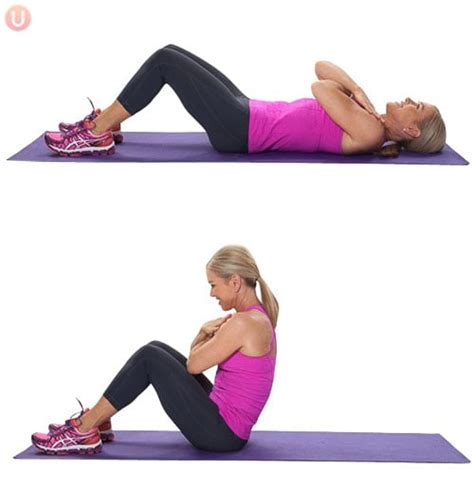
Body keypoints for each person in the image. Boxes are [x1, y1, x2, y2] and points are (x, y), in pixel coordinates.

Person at [31, 245, 279, 454]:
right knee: (156, 348)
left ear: (234, 282)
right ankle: (100, 420)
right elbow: (195, 362)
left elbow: (193, 365)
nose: (212, 292)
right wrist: (201, 336)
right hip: (225, 423)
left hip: (223, 435)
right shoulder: (255, 319)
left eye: (214, 285)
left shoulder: (243, 323)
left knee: (149, 358)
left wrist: (201, 334)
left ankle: (84, 429)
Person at [43, 44, 446, 158]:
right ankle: (111, 123)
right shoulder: (370, 119)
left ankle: (94, 134)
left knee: (165, 61)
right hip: (248, 110)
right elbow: (322, 64)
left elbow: (319, 87)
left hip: (242, 129)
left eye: (418, 106)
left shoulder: (372, 130)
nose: (410, 99)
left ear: (411, 129)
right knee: (172, 52)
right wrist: (358, 94)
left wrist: (357, 93)